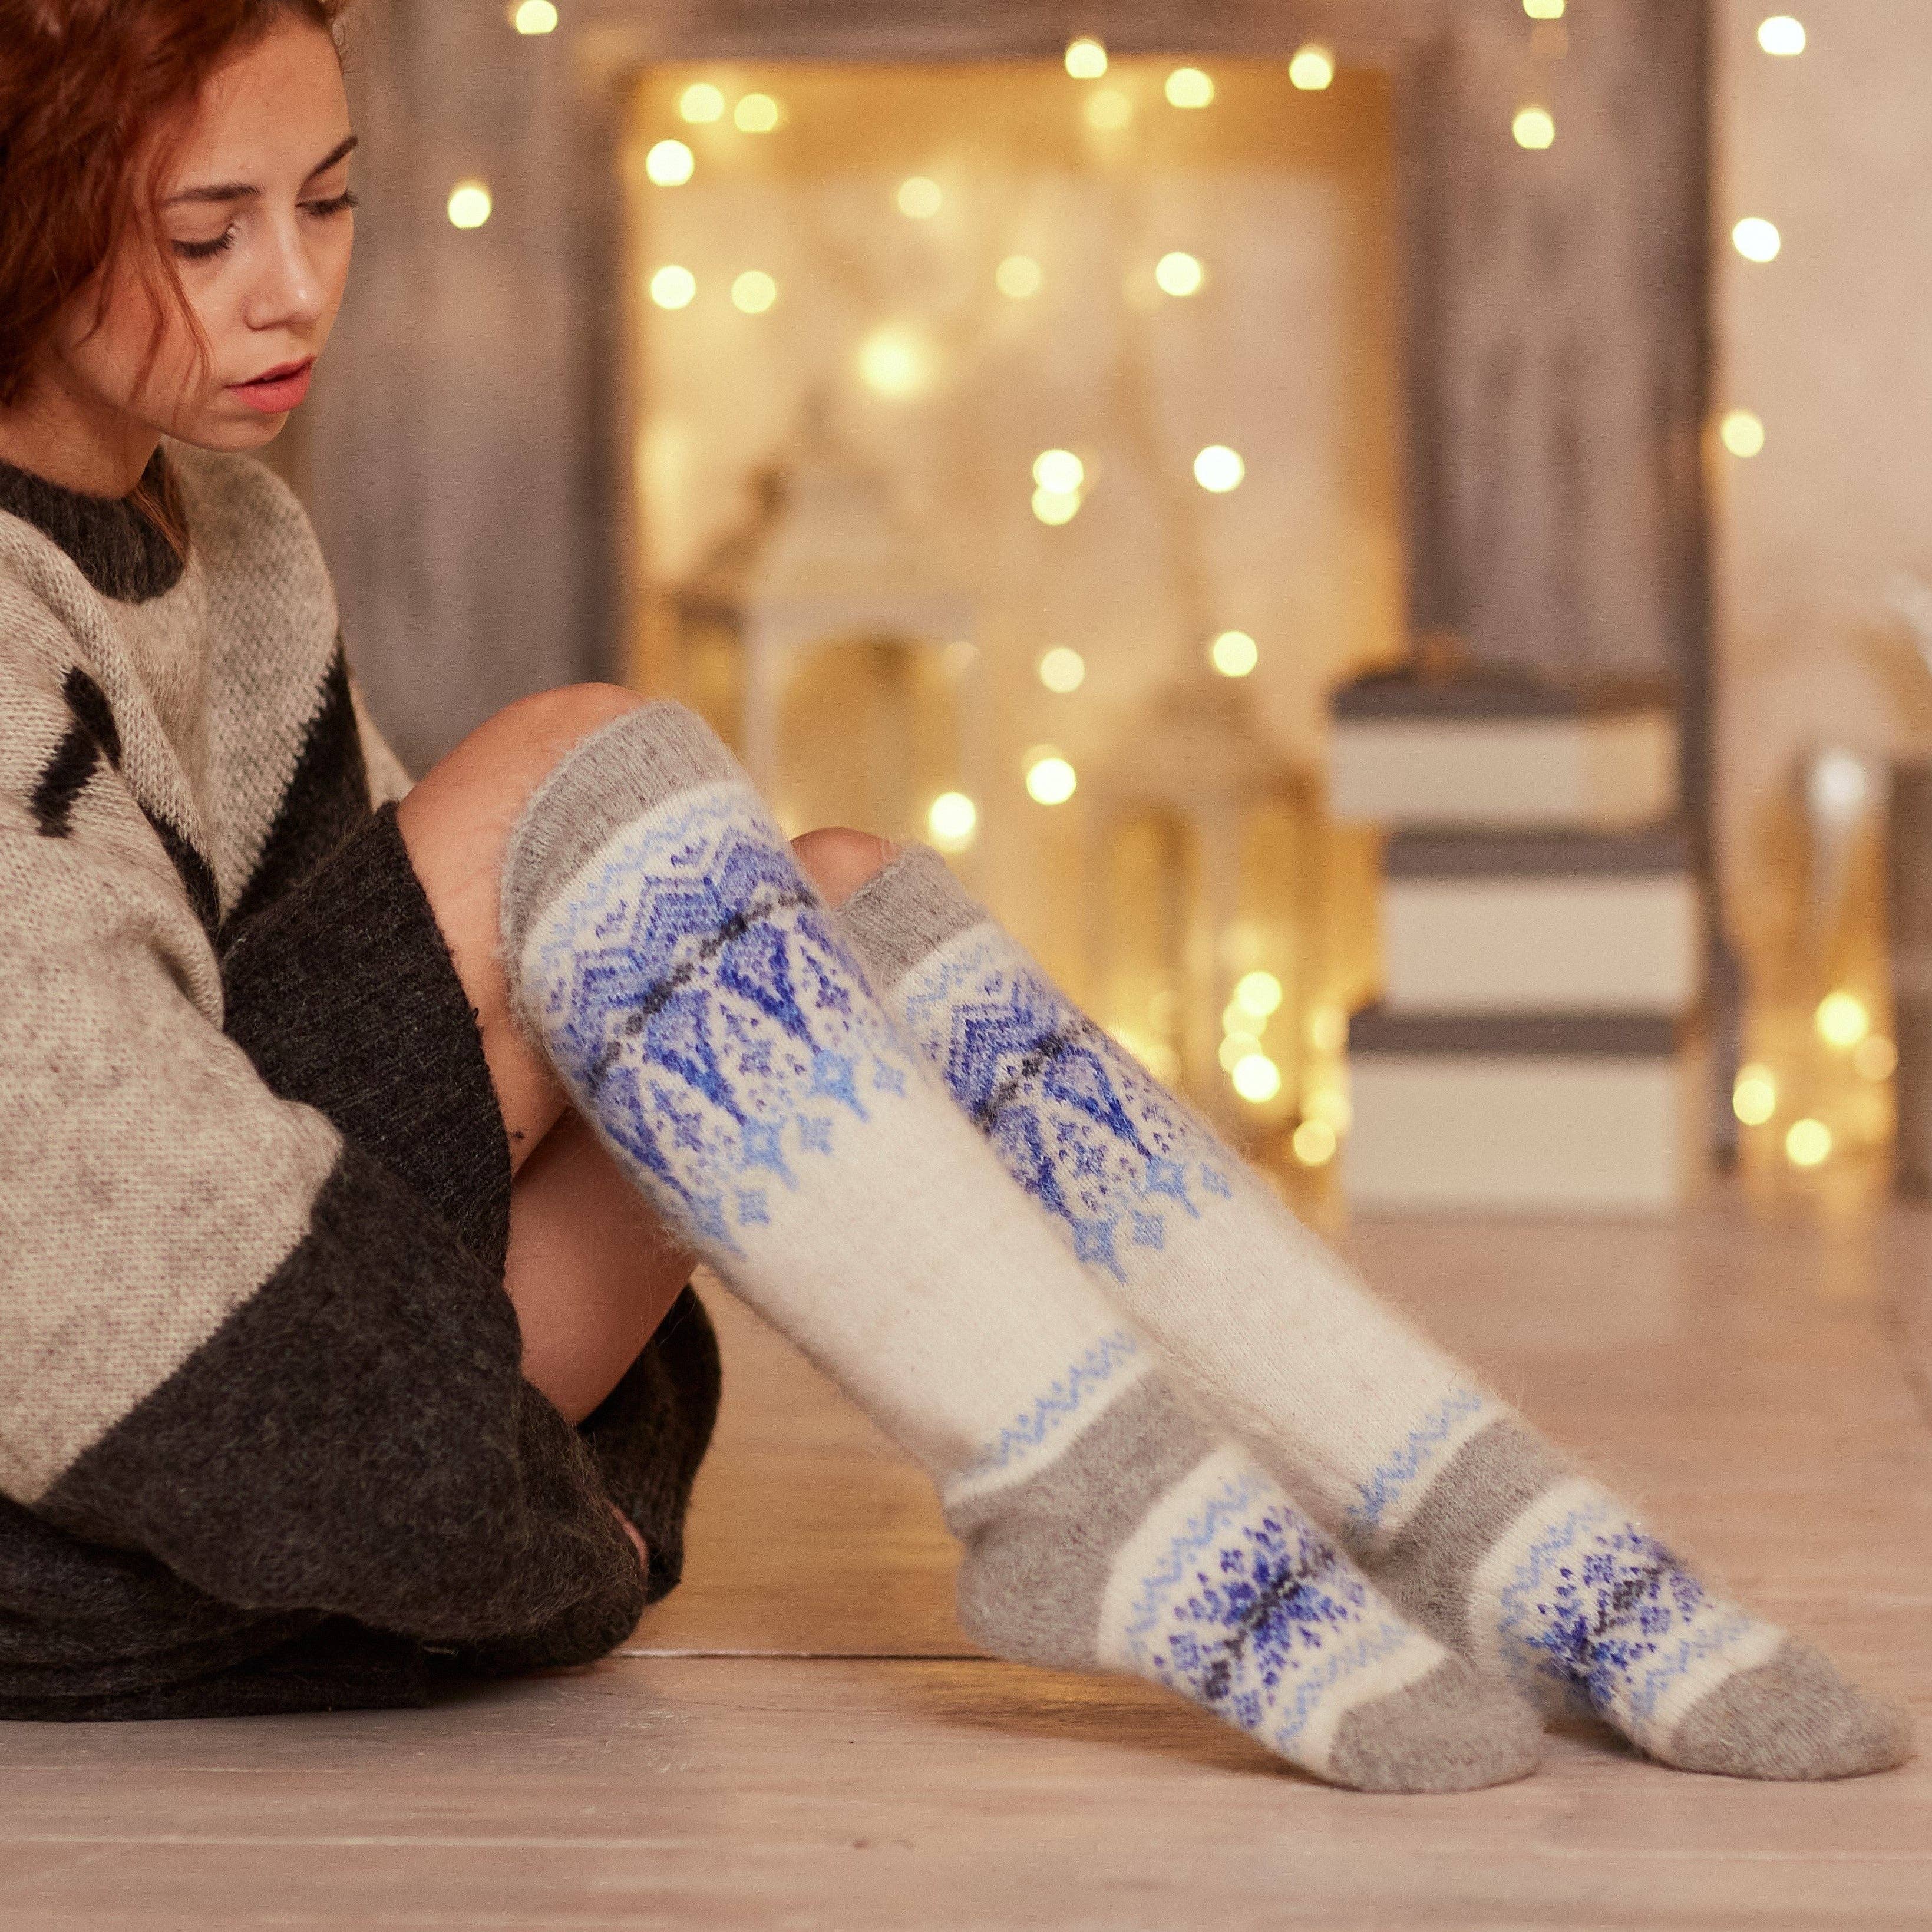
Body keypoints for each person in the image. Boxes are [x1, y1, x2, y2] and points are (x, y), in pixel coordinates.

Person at [0, 0, 1907, 1789]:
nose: (295, 286)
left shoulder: (237, 534)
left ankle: (1460, 1511)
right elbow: (94, 1252)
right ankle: (1106, 1497)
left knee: (823, 899)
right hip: (126, 1464)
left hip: (330, 1352)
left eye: (332, 202)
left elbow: (410, 1012)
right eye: (206, 233)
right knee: (584, 767)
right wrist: (530, 1527)